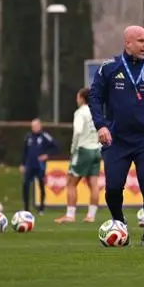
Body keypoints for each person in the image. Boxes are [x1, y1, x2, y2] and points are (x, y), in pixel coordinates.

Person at [89, 25, 144, 247]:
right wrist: (101, 126)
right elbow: (95, 98)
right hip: (115, 139)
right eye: (140, 40)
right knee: (113, 188)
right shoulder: (108, 68)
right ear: (127, 43)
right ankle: (119, 223)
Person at [56, 87, 101, 224]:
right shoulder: (96, 110)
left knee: (71, 183)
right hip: (96, 149)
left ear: (81, 98)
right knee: (93, 183)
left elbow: (78, 131)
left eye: (78, 97)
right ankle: (91, 216)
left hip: (83, 150)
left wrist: (73, 148)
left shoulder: (80, 113)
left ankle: (70, 215)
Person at [20, 118, 59, 214]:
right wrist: (22, 164)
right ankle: (26, 208)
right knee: (25, 185)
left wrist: (47, 155)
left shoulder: (45, 136)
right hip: (29, 165)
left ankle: (41, 208)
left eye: (36, 126)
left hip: (40, 166)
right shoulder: (28, 137)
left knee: (41, 185)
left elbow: (56, 146)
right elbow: (24, 151)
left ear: (40, 126)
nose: (34, 128)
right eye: (32, 126)